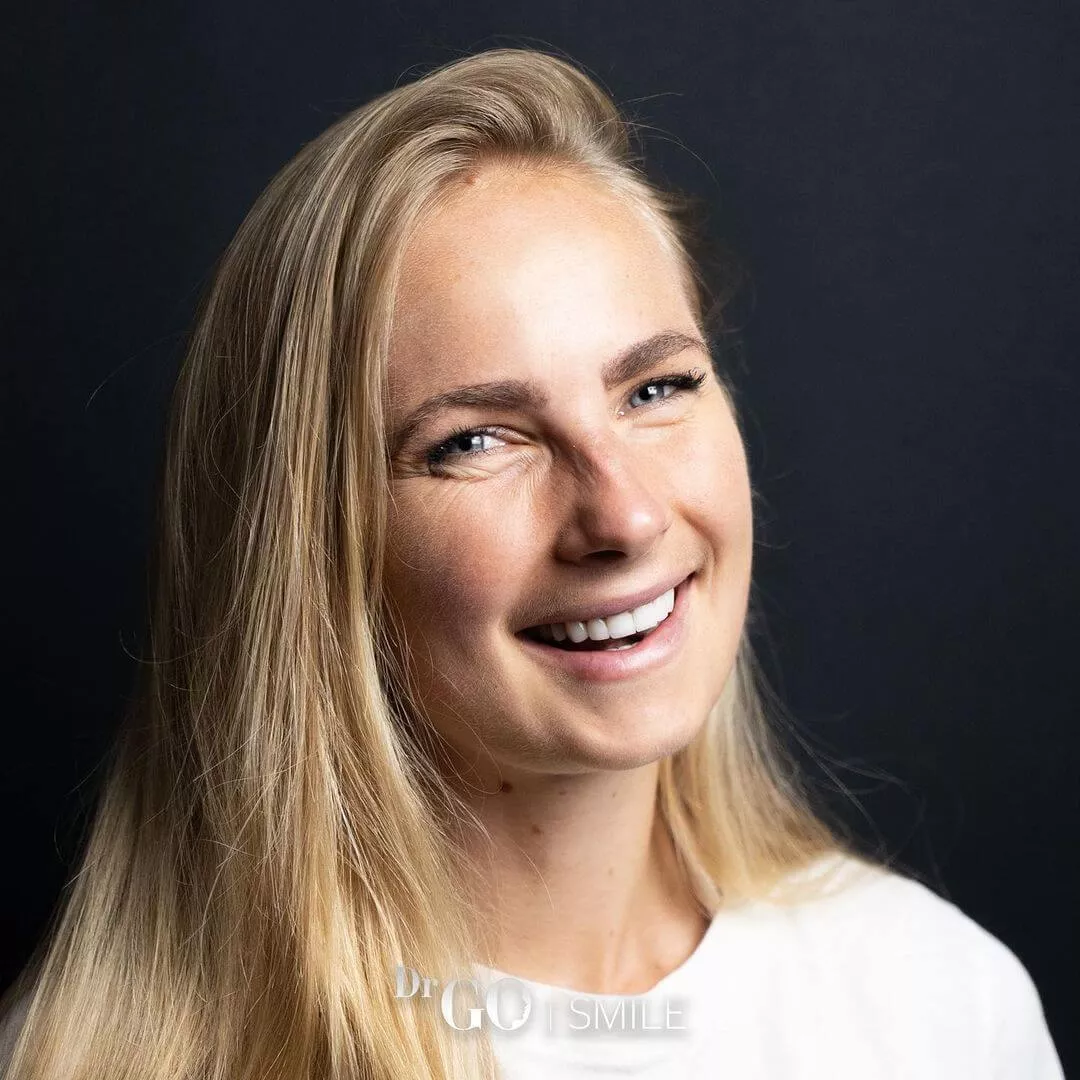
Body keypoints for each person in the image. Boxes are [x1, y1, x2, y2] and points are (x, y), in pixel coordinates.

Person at [0, 47, 1064, 1080]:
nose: (625, 515)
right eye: (475, 440)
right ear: (309, 550)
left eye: (655, 389)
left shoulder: (943, 1010)